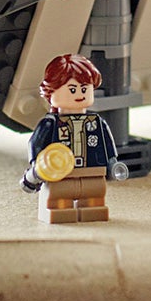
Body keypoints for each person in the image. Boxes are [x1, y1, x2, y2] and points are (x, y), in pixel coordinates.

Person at [22, 54, 118, 224]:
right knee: (60, 196)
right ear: (51, 92)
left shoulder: (96, 122)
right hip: (60, 172)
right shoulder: (50, 123)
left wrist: (112, 162)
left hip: (93, 169)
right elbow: (36, 144)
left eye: (84, 89)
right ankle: (59, 210)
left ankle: (92, 209)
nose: (79, 94)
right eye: (72, 90)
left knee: (94, 195)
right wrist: (37, 166)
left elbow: (108, 144)